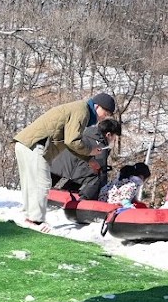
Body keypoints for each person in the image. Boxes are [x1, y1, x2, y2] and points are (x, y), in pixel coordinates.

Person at [12, 92, 117, 232]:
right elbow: (72, 141)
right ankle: (35, 220)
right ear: (97, 106)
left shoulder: (79, 108)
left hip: (26, 143)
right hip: (37, 145)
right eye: (106, 112)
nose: (105, 116)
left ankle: (27, 215)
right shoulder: (82, 111)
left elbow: (69, 143)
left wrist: (89, 159)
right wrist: (91, 150)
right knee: (42, 183)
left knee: (31, 182)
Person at [48, 117, 121, 201]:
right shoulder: (101, 147)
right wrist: (102, 191)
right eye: (114, 137)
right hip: (73, 175)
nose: (113, 140)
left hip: (55, 166)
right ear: (108, 135)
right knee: (96, 178)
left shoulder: (83, 132)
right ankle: (83, 202)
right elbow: (101, 171)